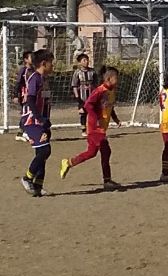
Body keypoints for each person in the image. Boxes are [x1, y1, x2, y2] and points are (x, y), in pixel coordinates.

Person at [60, 66, 122, 191]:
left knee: (92, 152)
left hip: (101, 128)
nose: (118, 80)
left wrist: (116, 119)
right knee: (106, 151)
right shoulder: (99, 91)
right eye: (116, 78)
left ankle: (69, 162)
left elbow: (110, 107)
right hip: (95, 128)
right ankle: (107, 181)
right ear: (109, 78)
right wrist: (96, 120)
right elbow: (88, 105)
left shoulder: (111, 91)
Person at [19, 49, 54, 197]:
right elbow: (31, 100)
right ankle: (27, 178)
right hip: (31, 121)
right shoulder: (35, 78)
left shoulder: (44, 80)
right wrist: (40, 119)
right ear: (44, 63)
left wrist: (46, 122)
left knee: (42, 152)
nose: (53, 65)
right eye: (51, 63)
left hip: (41, 121)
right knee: (45, 150)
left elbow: (44, 102)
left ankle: (38, 186)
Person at [71, 53, 98, 137]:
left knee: (93, 113)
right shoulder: (77, 72)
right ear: (80, 62)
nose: (86, 62)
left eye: (87, 60)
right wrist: (77, 98)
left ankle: (92, 129)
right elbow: (74, 85)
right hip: (82, 97)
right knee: (83, 114)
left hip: (92, 96)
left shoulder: (92, 71)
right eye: (84, 60)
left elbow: (96, 84)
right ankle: (83, 130)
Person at [12, 50, 32, 142]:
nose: (33, 58)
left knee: (28, 113)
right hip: (25, 96)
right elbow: (18, 83)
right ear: (26, 60)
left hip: (32, 95)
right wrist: (15, 95)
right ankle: (25, 132)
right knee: (27, 113)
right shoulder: (23, 70)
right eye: (31, 57)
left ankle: (21, 133)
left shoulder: (34, 69)